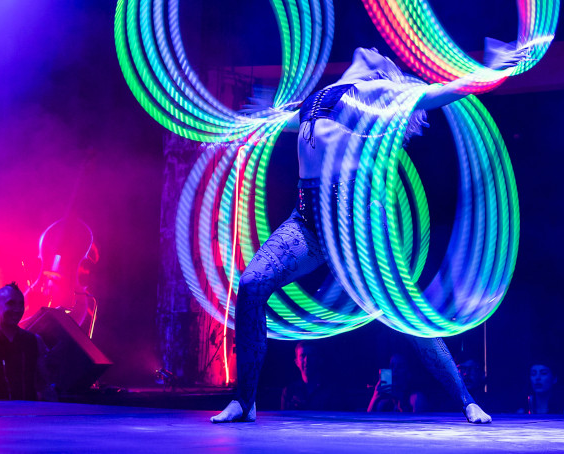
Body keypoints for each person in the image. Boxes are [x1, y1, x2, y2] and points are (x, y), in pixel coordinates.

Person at [210, 45, 525, 424]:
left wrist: (489, 72)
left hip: (352, 228)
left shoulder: (373, 93)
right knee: (252, 284)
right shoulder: (320, 97)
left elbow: (437, 93)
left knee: (408, 318)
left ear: (383, 71)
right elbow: (290, 124)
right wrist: (259, 116)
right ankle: (245, 402)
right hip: (307, 220)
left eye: (381, 53)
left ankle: (466, 400)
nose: (373, 48)